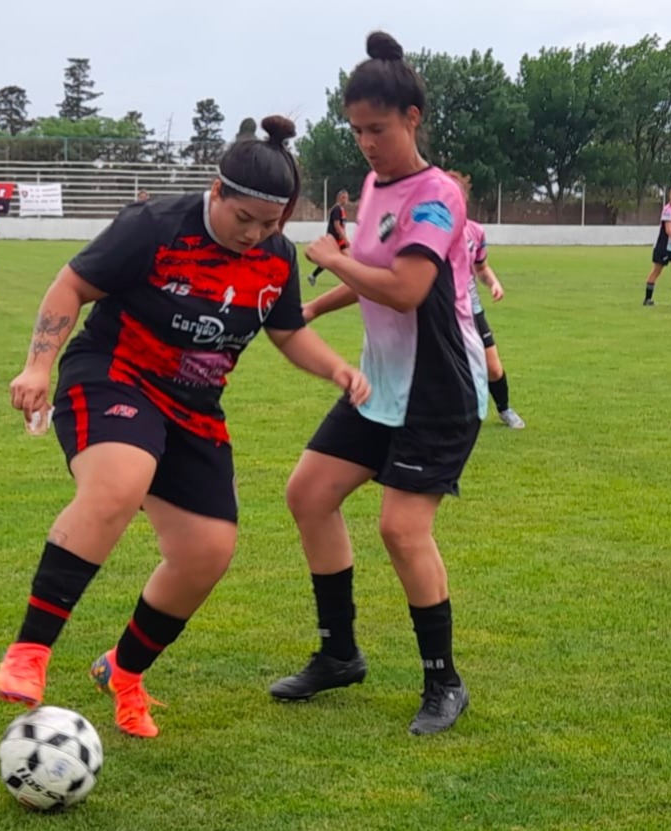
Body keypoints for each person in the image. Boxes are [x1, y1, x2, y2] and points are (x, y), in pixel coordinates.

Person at [0, 116, 371, 739]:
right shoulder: (154, 227)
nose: (254, 235)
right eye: (243, 218)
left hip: (195, 405)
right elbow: (70, 286)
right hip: (114, 375)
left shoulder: (274, 259)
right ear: (215, 192)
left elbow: (287, 332)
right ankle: (31, 650)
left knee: (207, 552)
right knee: (120, 481)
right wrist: (38, 364)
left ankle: (124, 672)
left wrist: (336, 368)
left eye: (268, 225)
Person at [269, 32, 488, 736]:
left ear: (414, 118)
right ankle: (340, 653)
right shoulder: (374, 185)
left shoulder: (438, 195)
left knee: (401, 526)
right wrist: (311, 305)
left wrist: (330, 261)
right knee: (308, 493)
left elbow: (405, 288)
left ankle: (443, 681)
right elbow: (370, 273)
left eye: (379, 128)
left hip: (439, 391)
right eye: (356, 129)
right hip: (382, 385)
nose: (366, 142)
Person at [450, 171, 525, 429]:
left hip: (471, 309)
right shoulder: (430, 232)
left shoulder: (475, 232)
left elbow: (481, 268)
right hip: (440, 310)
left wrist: (493, 283)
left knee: (493, 368)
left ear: (464, 199)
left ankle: (505, 409)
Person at [308, 189, 350, 286]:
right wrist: (345, 238)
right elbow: (337, 225)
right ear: (339, 198)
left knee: (335, 260)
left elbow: (342, 225)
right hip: (335, 238)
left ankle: (313, 275)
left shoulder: (342, 210)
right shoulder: (337, 209)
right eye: (344, 197)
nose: (346, 200)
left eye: (347, 197)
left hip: (339, 238)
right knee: (347, 259)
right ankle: (348, 281)